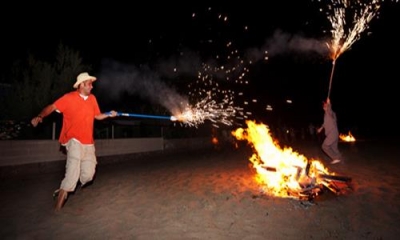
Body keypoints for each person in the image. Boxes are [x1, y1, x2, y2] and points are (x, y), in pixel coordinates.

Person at [31, 72, 118, 211]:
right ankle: (57, 210)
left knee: (88, 175)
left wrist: (109, 114)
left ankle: (63, 189)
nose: (91, 86)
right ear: (81, 84)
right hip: (73, 140)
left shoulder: (92, 99)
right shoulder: (68, 98)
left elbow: (97, 116)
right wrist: (40, 116)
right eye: (89, 84)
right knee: (72, 173)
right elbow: (52, 107)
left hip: (88, 142)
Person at [317, 98, 342, 164]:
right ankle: (339, 158)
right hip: (335, 133)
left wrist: (329, 103)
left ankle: (335, 158)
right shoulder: (326, 115)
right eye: (324, 105)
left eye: (325, 105)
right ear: (323, 108)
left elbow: (329, 110)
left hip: (332, 133)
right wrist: (321, 128)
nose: (324, 106)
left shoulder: (330, 113)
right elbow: (325, 123)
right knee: (334, 147)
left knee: (324, 146)